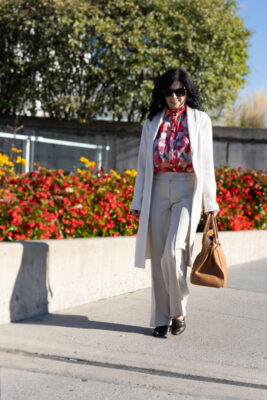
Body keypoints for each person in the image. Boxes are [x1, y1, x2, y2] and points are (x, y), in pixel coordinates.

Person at [130, 67, 219, 337]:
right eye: (169, 92)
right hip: (157, 186)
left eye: (180, 91)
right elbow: (143, 166)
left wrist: (211, 203)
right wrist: (138, 200)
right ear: (162, 93)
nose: (174, 97)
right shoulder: (152, 121)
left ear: (187, 92)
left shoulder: (201, 120)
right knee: (158, 257)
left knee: (173, 251)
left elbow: (207, 163)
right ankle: (160, 318)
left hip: (187, 187)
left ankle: (178, 311)